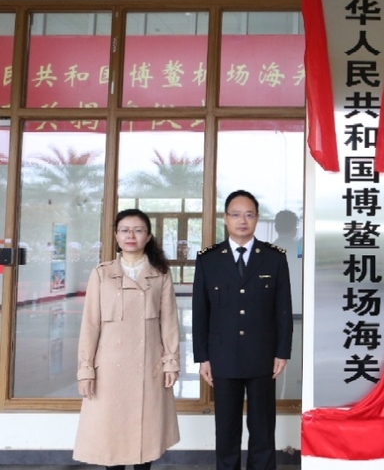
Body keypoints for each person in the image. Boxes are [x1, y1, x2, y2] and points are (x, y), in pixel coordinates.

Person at [192, 190, 293, 470]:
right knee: (226, 431)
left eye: (249, 214)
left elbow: (282, 308)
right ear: (225, 219)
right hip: (222, 356)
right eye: (235, 214)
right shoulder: (208, 259)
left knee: (262, 429)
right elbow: (201, 312)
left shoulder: (273, 258)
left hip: (262, 355)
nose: (242, 220)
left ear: (257, 219)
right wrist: (202, 357)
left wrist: (282, 351)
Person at [73, 209, 180, 470]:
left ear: (148, 236)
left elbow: (169, 322)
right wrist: (85, 369)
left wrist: (171, 362)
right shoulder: (101, 273)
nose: (131, 235)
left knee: (146, 438)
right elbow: (90, 325)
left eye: (138, 230)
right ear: (116, 236)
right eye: (125, 230)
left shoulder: (160, 273)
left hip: (148, 365)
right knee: (112, 438)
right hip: (109, 368)